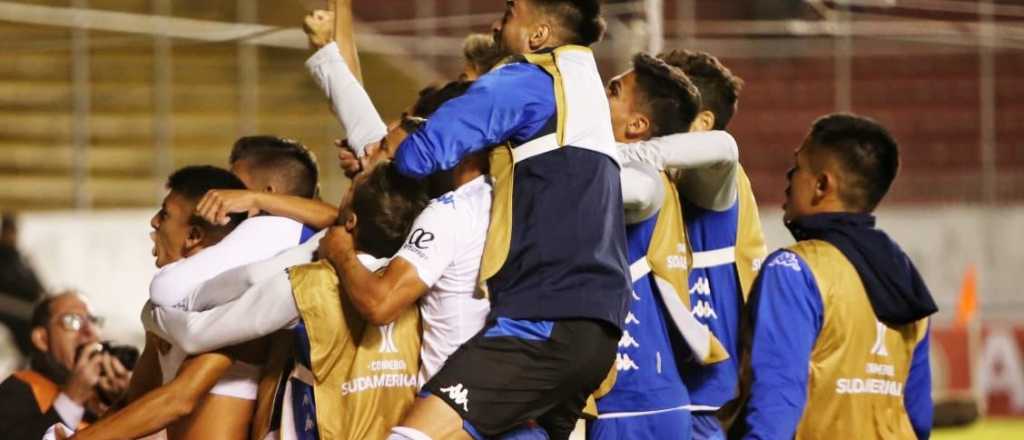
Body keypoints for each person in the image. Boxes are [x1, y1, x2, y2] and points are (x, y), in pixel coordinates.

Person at [387, 1, 631, 439]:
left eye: (510, 11)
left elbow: (417, 156)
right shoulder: (586, 88)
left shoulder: (527, 80)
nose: (497, 24)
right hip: (595, 325)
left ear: (537, 36)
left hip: (543, 318)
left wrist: (405, 136)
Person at [738, 113, 935, 439]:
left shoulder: (794, 271)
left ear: (822, 184)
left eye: (797, 167)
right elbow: (918, 417)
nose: (789, 178)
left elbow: (777, 403)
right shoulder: (907, 281)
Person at [615, 49, 767, 440]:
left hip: (703, 397)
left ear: (701, 122)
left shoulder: (713, 186)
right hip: (668, 393)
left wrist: (610, 152)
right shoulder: (651, 182)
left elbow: (722, 149)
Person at [0, 292, 131, 439]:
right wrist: (72, 399)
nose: (89, 331)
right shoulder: (17, 389)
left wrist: (125, 402)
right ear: (42, 339)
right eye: (72, 320)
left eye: (93, 321)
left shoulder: (102, 403)